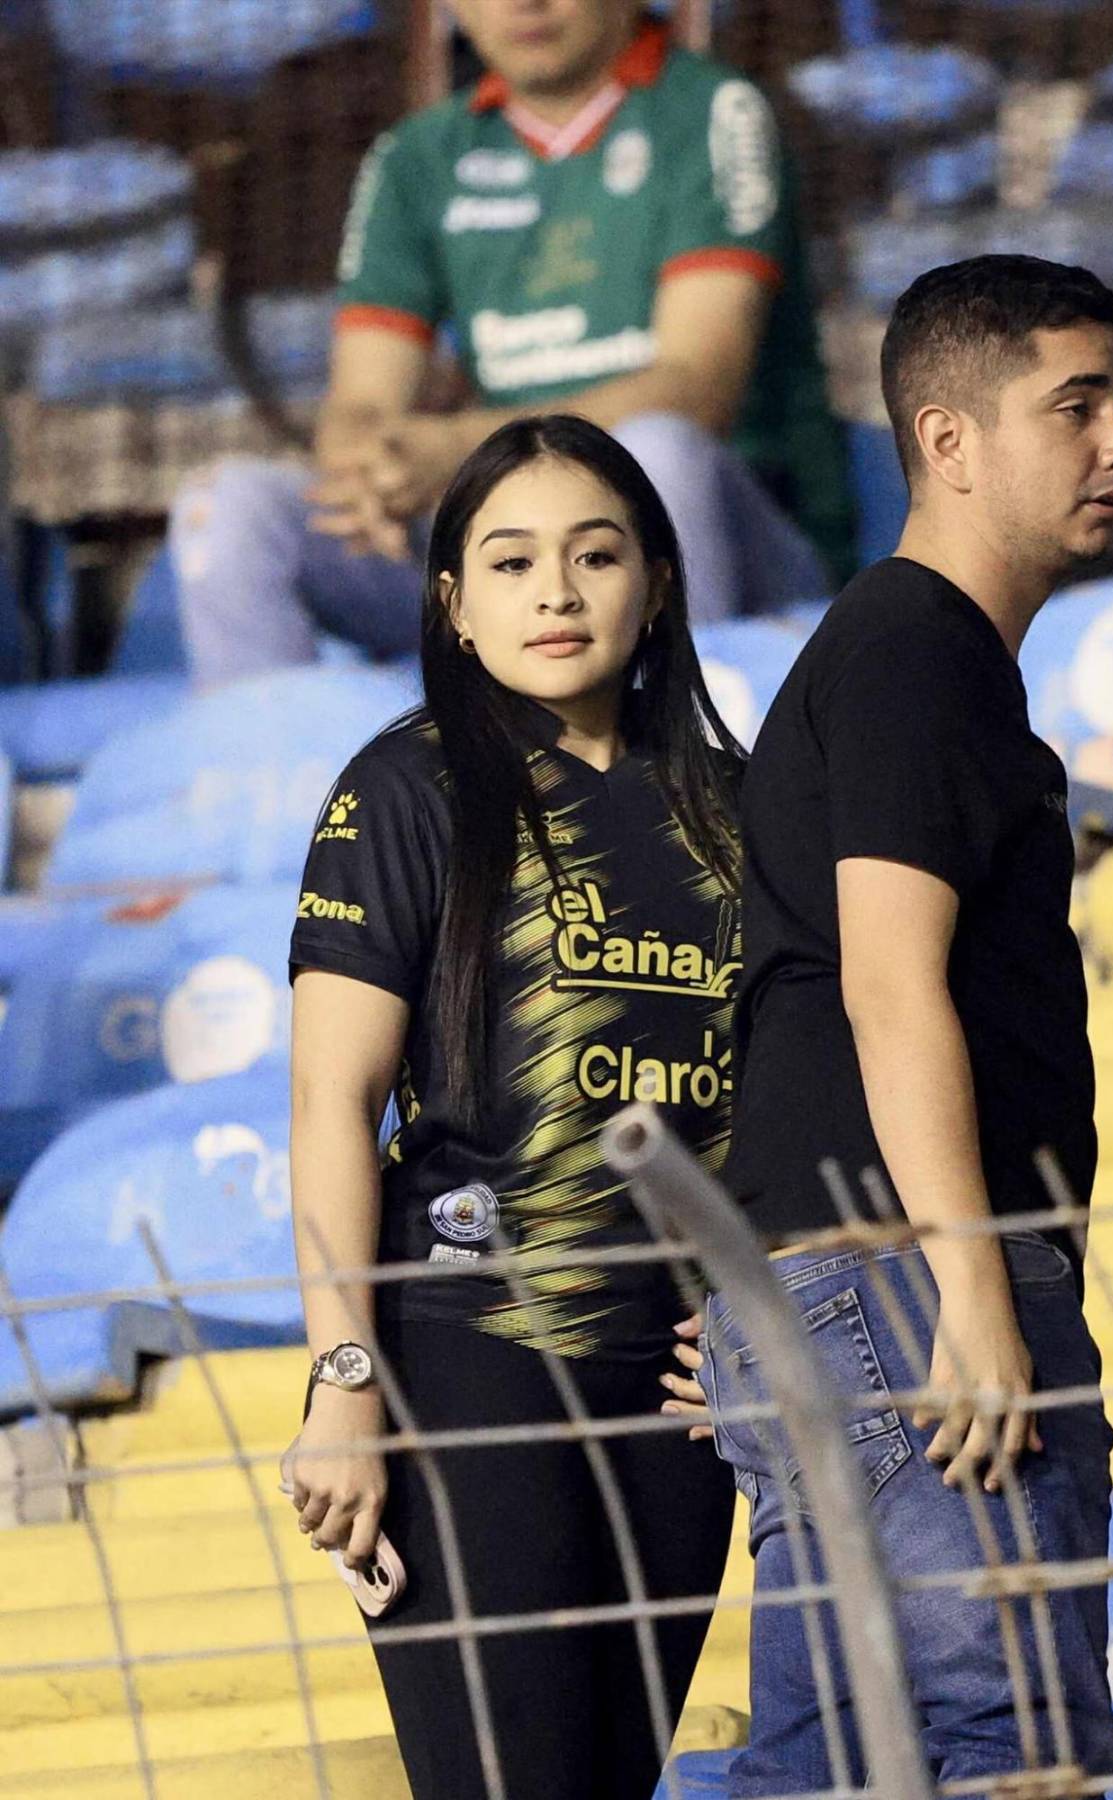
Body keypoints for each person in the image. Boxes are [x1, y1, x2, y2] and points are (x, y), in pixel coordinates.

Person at [697, 254, 1113, 1792]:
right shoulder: (913, 652)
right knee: (1005, 1742)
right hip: (907, 1278)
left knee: (826, 1769)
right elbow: (891, 981)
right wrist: (966, 1285)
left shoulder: (908, 653)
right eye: (1073, 408)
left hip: (832, 1286)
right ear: (945, 441)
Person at [286, 414, 744, 1800]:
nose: (556, 592)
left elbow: (791, 1100)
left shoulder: (746, 806)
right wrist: (346, 1383)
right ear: (454, 603)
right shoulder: (405, 789)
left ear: (656, 581)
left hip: (680, 1389)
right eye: (513, 560)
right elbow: (331, 1099)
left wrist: (750, 1326)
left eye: (596, 554)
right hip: (474, 1359)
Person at [169, 0, 855, 687]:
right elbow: (359, 406)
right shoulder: (416, 156)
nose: (525, 3)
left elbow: (696, 388)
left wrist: (453, 450)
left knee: (653, 456)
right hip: (499, 550)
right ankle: (270, 788)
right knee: (228, 511)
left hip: (740, 549)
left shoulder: (714, 111)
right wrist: (371, 473)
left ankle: (672, 774)